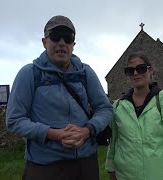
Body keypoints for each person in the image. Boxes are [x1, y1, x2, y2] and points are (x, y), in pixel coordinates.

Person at [6, 15, 113, 180]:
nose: (62, 43)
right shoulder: (29, 74)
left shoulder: (86, 73)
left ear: (73, 45)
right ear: (44, 42)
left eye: (68, 37)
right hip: (44, 167)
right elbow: (14, 120)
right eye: (55, 36)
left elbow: (104, 108)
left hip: (85, 164)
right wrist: (53, 134)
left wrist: (87, 131)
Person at [105, 52, 163, 180]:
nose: (136, 73)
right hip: (124, 175)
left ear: (151, 70)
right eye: (130, 70)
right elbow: (114, 140)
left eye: (141, 68)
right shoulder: (118, 106)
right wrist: (110, 167)